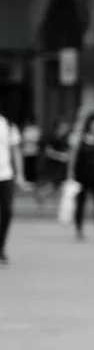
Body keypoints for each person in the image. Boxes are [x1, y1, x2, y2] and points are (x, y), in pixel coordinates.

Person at [68, 112, 94, 242]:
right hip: (81, 175)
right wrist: (70, 173)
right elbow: (73, 156)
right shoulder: (79, 138)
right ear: (90, 123)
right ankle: (79, 229)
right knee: (80, 203)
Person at [0, 107, 29, 265]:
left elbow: (16, 151)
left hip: (5, 175)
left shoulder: (8, 125)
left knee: (7, 211)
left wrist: (20, 174)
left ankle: (1, 247)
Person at [38, 118, 72, 205]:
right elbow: (48, 152)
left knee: (57, 184)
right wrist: (60, 156)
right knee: (53, 184)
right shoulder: (50, 138)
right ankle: (41, 195)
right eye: (64, 127)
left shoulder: (65, 139)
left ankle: (47, 198)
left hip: (61, 168)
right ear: (58, 127)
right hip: (51, 166)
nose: (66, 130)